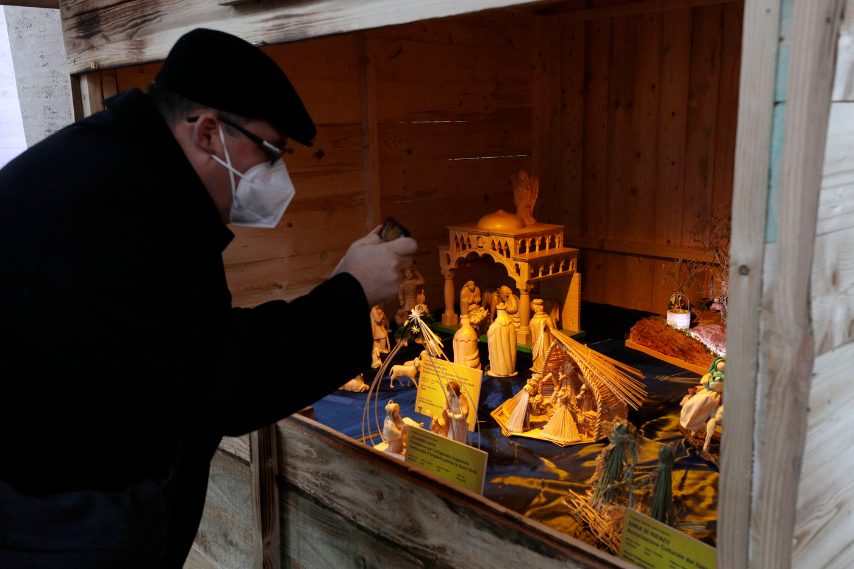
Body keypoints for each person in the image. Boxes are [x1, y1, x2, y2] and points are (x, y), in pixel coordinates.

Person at [0, 28, 417, 569]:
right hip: (53, 524)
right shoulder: (112, 207)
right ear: (208, 132)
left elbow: (188, 336)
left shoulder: (119, 169)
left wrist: (341, 287)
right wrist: (351, 295)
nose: (277, 175)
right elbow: (216, 378)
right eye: (271, 152)